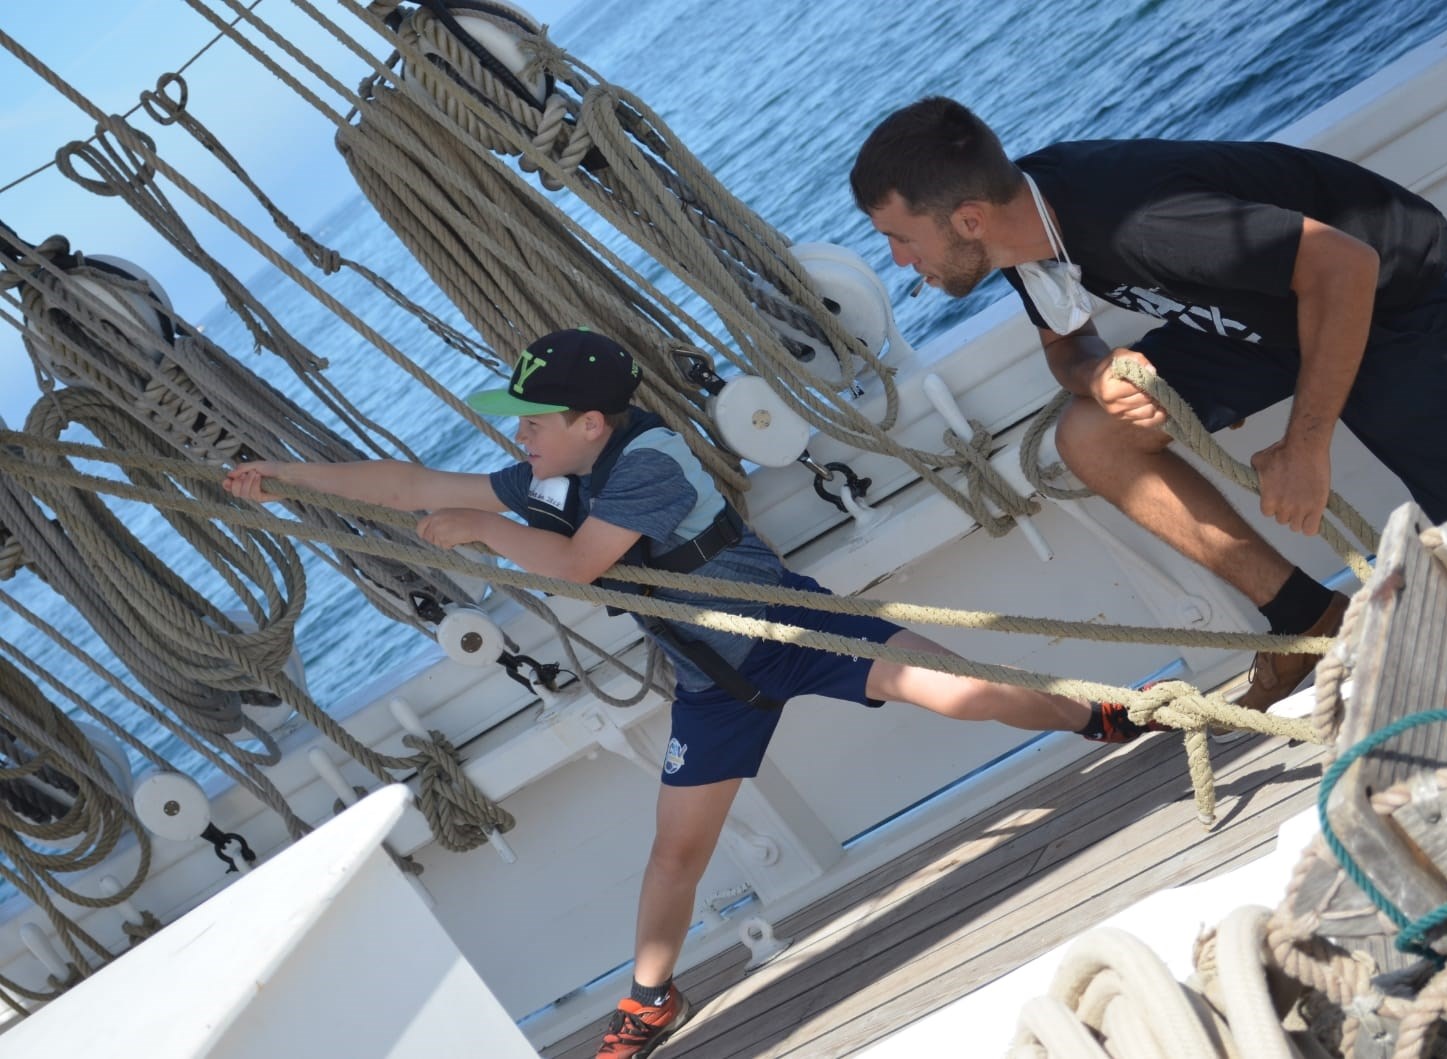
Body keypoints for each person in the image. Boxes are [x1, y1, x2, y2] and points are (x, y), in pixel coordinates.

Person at [222, 327, 1154, 1059]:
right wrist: (288, 478)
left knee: (961, 689)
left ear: (590, 423)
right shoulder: (558, 471)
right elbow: (414, 480)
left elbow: (584, 569)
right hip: (712, 682)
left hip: (798, 632)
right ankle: (652, 995)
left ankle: (1101, 715)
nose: (519, 438)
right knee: (677, 853)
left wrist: (481, 528)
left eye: (531, 421)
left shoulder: (648, 465)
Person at [849, 97, 1447, 711]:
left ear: (968, 219)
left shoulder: (1132, 219)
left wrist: (1305, 446)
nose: (899, 261)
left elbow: (1344, 265)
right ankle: (1306, 616)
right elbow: (1068, 346)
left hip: (1391, 300)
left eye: (901, 238)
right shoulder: (1024, 232)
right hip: (1264, 323)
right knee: (1089, 436)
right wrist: (1097, 374)